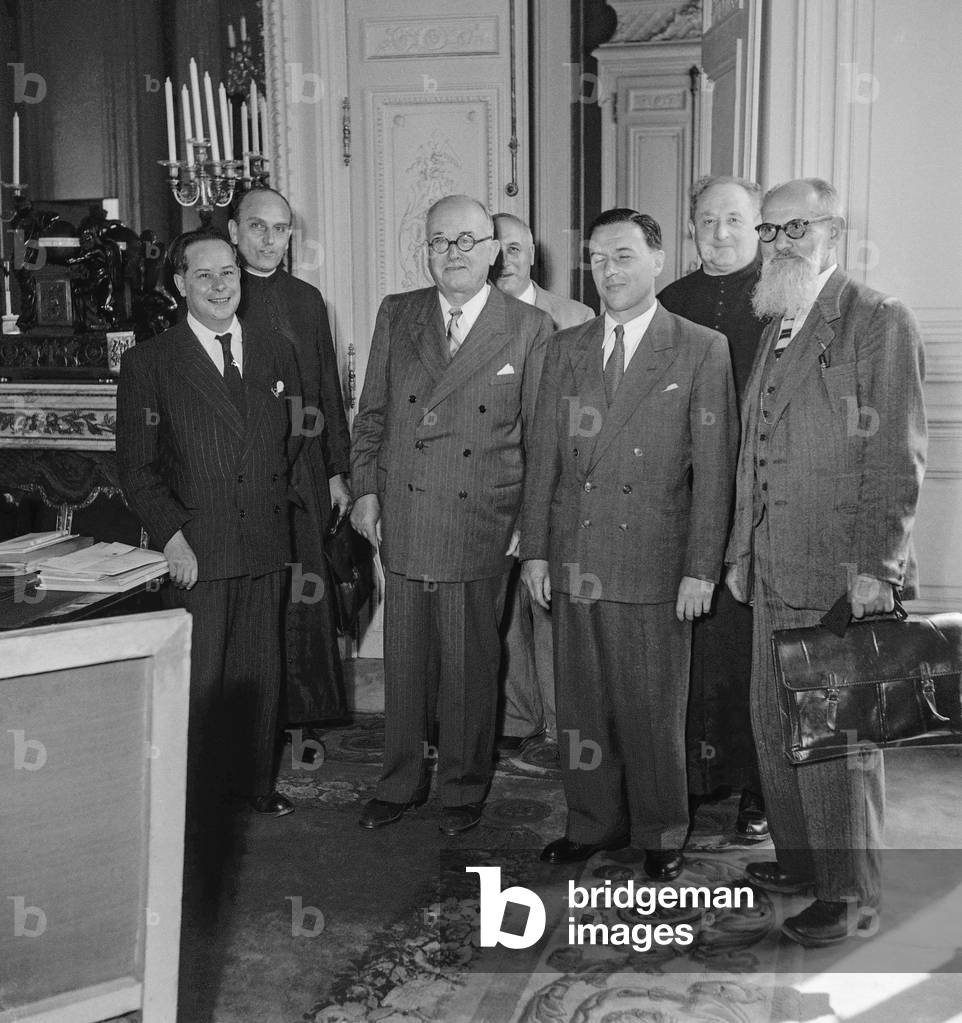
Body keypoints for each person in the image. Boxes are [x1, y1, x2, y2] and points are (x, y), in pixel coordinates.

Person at [726, 177, 926, 946]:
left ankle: (849, 894)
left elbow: (896, 453)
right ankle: (804, 862)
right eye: (770, 232)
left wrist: (879, 565)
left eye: (795, 229)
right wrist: (741, 546)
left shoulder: (878, 320)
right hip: (773, 564)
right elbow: (754, 448)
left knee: (838, 739)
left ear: (832, 231)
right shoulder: (777, 319)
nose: (780, 245)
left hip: (841, 573)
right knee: (775, 722)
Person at [520, 209, 737, 878]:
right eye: (598, 258)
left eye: (623, 256)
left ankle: (661, 831)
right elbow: (543, 461)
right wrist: (534, 551)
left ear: (657, 260)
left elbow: (715, 472)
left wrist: (702, 568)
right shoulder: (564, 348)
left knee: (651, 711)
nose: (609, 271)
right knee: (582, 708)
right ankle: (592, 821)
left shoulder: (701, 347)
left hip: (656, 561)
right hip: (576, 556)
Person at [351, 194, 553, 836]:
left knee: (470, 665)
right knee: (404, 661)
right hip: (407, 510)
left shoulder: (526, 326)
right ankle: (400, 782)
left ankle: (463, 790)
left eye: (468, 240)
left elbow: (543, 436)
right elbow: (373, 413)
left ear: (493, 251)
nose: (454, 253)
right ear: (427, 251)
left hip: (483, 517)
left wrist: (531, 520)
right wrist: (365, 491)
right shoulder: (398, 311)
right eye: (441, 241)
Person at [117, 228, 304, 821]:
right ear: (180, 285)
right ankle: (193, 798)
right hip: (198, 544)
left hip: (265, 539)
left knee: (260, 670)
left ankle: (256, 785)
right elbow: (137, 468)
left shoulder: (275, 349)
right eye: (205, 275)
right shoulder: (151, 362)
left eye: (229, 273)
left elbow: (293, 440)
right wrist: (173, 537)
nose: (221, 286)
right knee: (202, 678)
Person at [657, 175, 769, 837]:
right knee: (691, 651)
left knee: (756, 651)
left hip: (760, 507)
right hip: (688, 505)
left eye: (734, 219)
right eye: (706, 220)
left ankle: (759, 786)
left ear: (757, 225)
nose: (720, 233)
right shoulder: (671, 302)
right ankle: (694, 780)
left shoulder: (785, 300)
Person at [229, 188, 353, 725]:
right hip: (241, 471)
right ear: (234, 231)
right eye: (258, 227)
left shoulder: (306, 300)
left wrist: (335, 471)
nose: (270, 240)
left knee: (304, 596)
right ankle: (252, 720)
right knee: (254, 597)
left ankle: (300, 716)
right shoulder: (218, 293)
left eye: (280, 229)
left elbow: (326, 389)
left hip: (303, 471)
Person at [491, 212, 594, 767]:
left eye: (515, 248)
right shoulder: (475, 316)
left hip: (556, 484)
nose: (505, 260)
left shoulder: (573, 317)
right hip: (495, 487)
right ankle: (517, 718)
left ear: (533, 252)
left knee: (552, 607)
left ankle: (561, 723)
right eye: (496, 248)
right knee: (504, 613)